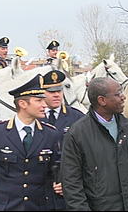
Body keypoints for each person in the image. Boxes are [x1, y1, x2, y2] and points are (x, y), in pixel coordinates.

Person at [60, 77, 128, 211]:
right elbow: (72, 187)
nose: (123, 97)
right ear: (102, 100)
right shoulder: (77, 134)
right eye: (118, 93)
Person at [0, 74, 61, 211]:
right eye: (38, 101)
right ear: (23, 104)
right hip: (4, 207)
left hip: (38, 206)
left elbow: (57, 170)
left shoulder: (50, 134)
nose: (44, 105)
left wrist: (62, 183)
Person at [39, 70, 84, 211]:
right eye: (51, 91)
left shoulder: (77, 117)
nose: (57, 94)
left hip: (70, 187)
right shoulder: (34, 117)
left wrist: (70, 182)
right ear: (42, 93)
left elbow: (87, 154)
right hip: (41, 187)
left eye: (59, 90)